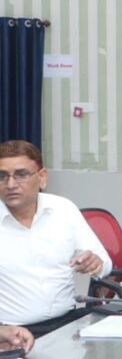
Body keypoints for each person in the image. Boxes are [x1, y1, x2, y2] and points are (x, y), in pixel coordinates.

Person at [0, 140, 112, 334]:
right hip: (12, 334)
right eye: (2, 176)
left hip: (68, 324)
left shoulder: (63, 209)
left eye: (21, 175)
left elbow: (105, 263)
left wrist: (96, 263)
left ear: (42, 177)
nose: (10, 184)